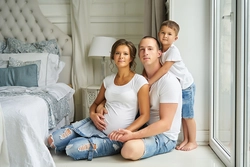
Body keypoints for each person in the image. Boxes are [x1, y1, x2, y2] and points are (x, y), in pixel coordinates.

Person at [47, 39, 150, 161]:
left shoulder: (139, 81)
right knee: (52, 140)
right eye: (117, 53)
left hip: (114, 137)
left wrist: (126, 132)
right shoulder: (108, 80)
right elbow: (95, 104)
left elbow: (145, 115)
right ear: (113, 56)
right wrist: (93, 115)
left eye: (125, 54)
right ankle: (80, 135)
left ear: (131, 58)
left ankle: (86, 141)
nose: (121, 56)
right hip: (92, 125)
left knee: (72, 149)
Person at [106, 36, 182, 160]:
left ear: (159, 53)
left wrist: (133, 135)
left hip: (164, 136)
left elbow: (166, 124)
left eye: (150, 49)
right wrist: (98, 107)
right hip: (146, 127)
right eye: (142, 49)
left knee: (129, 150)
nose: (145, 52)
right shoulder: (141, 79)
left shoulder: (168, 82)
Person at [147, 20, 197, 151]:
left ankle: (193, 141)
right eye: (163, 33)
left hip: (186, 86)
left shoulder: (173, 51)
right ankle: (185, 139)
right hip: (179, 87)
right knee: (181, 115)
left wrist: (150, 82)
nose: (165, 36)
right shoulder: (161, 50)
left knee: (188, 115)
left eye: (169, 34)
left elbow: (164, 70)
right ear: (158, 34)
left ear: (175, 38)